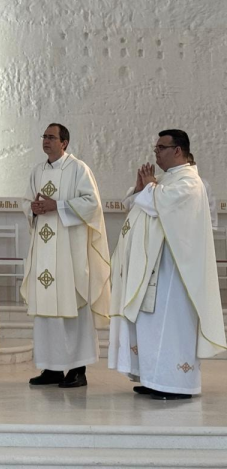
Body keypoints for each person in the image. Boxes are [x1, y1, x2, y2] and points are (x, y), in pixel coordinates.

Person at [108, 130, 226, 400]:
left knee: (171, 327)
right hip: (155, 270)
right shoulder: (164, 180)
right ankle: (154, 379)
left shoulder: (190, 183)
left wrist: (149, 188)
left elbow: (159, 205)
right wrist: (140, 188)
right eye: (155, 148)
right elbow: (137, 206)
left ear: (178, 150)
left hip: (176, 273)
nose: (156, 153)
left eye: (161, 148)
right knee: (152, 327)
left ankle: (176, 384)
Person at [22, 123, 110, 389]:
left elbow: (92, 204)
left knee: (72, 307)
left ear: (64, 143)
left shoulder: (78, 169)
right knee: (46, 312)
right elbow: (26, 202)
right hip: (44, 253)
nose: (46, 141)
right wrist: (33, 209)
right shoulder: (37, 171)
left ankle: (78, 369)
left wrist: (57, 205)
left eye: (52, 137)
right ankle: (51, 368)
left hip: (69, 254)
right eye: (44, 136)